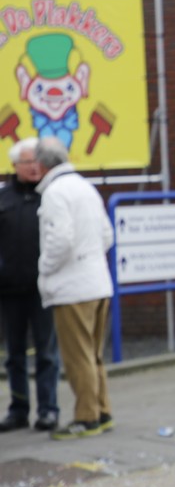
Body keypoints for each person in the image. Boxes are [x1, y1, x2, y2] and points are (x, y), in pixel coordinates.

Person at [32, 138, 116, 441]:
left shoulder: (55, 193)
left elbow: (60, 240)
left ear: (42, 165)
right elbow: (106, 235)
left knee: (77, 357)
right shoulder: (86, 187)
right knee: (94, 355)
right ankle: (102, 411)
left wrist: (44, 267)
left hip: (73, 288)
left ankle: (86, 418)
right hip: (98, 282)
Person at [0, 138, 61, 433]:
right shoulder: (3, 198)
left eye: (38, 161)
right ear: (15, 165)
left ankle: (48, 409)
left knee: (46, 353)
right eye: (28, 162)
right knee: (14, 355)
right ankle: (18, 409)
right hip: (9, 290)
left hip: (43, 290)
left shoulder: (51, 195)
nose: (34, 167)